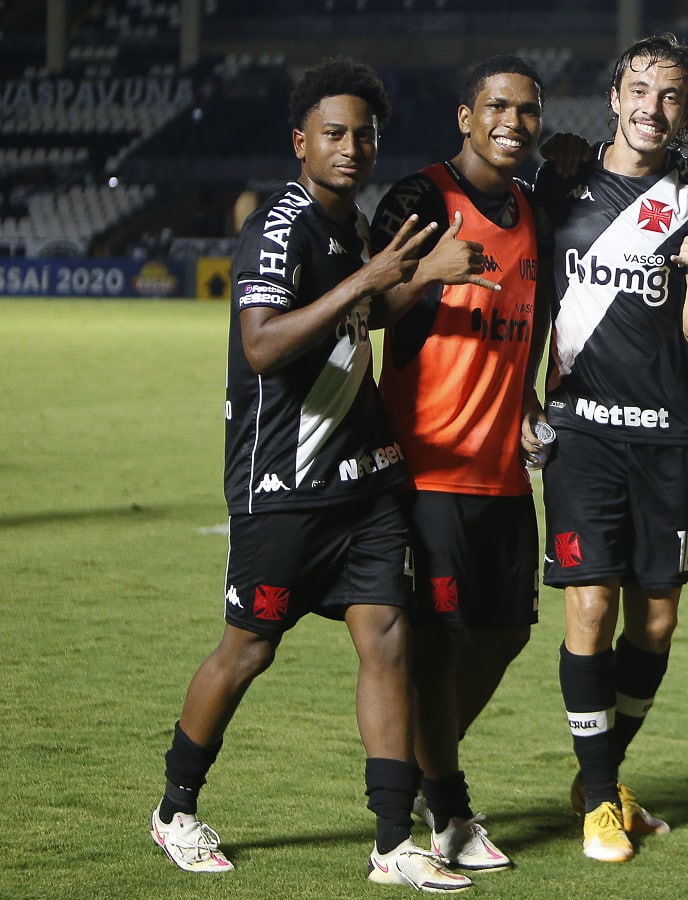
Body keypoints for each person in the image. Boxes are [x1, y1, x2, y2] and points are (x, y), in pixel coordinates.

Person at [149, 57, 471, 892]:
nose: (352, 147)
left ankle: (393, 842)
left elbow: (355, 323)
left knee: (386, 641)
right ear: (302, 141)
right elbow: (263, 343)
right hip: (281, 485)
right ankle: (175, 809)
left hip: (363, 480)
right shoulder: (281, 225)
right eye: (334, 133)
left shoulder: (354, 226)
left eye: (365, 134)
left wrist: (411, 283)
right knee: (247, 649)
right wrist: (371, 278)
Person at [533, 33, 688, 863]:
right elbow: (528, 293)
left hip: (667, 437)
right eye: (640, 90)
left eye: (672, 95)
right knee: (590, 605)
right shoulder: (562, 182)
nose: (653, 108)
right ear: (614, 96)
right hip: (580, 432)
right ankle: (600, 800)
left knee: (656, 621)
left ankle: (600, 776)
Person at [371, 55, 555, 874]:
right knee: (440, 646)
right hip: (426, 465)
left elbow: (536, 313)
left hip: (503, 469)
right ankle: (448, 809)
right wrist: (424, 276)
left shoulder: (528, 210)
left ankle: (416, 771)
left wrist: (528, 404)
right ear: (465, 116)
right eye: (497, 107)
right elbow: (364, 307)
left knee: (507, 631)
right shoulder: (418, 200)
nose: (511, 122)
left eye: (526, 111)